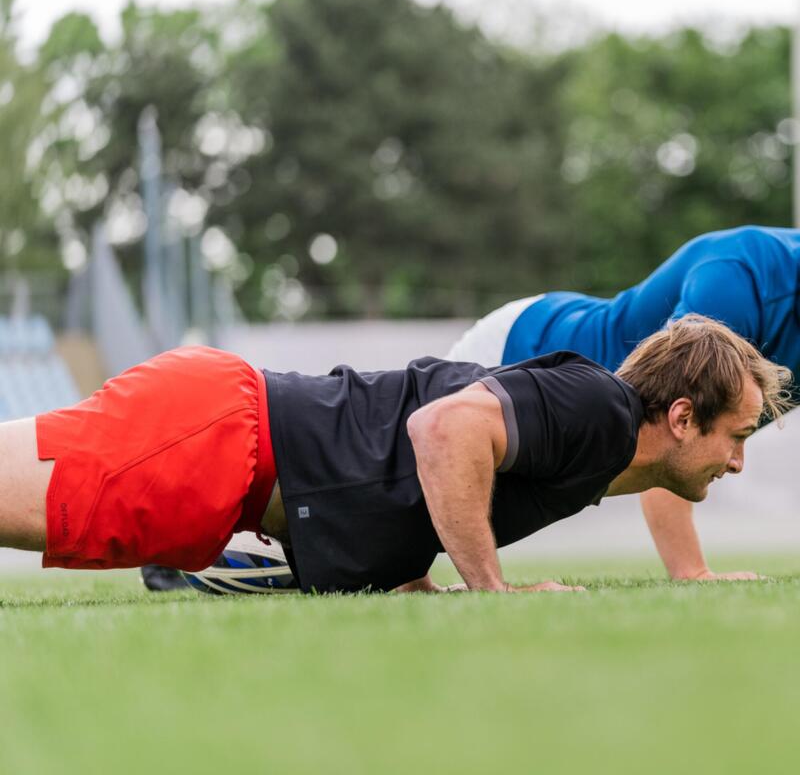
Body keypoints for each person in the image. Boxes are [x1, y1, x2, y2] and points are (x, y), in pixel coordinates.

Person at [0, 316, 789, 594]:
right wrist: (490, 588)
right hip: (220, 436)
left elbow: (412, 436)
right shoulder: (601, 410)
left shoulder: (601, 452)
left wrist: (413, 572)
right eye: (738, 437)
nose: (737, 462)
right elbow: (442, 430)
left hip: (230, 454)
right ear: (683, 417)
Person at [447, 224, 800, 581]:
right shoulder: (736, 278)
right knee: (427, 479)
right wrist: (692, 572)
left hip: (575, 409)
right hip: (521, 347)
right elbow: (674, 430)